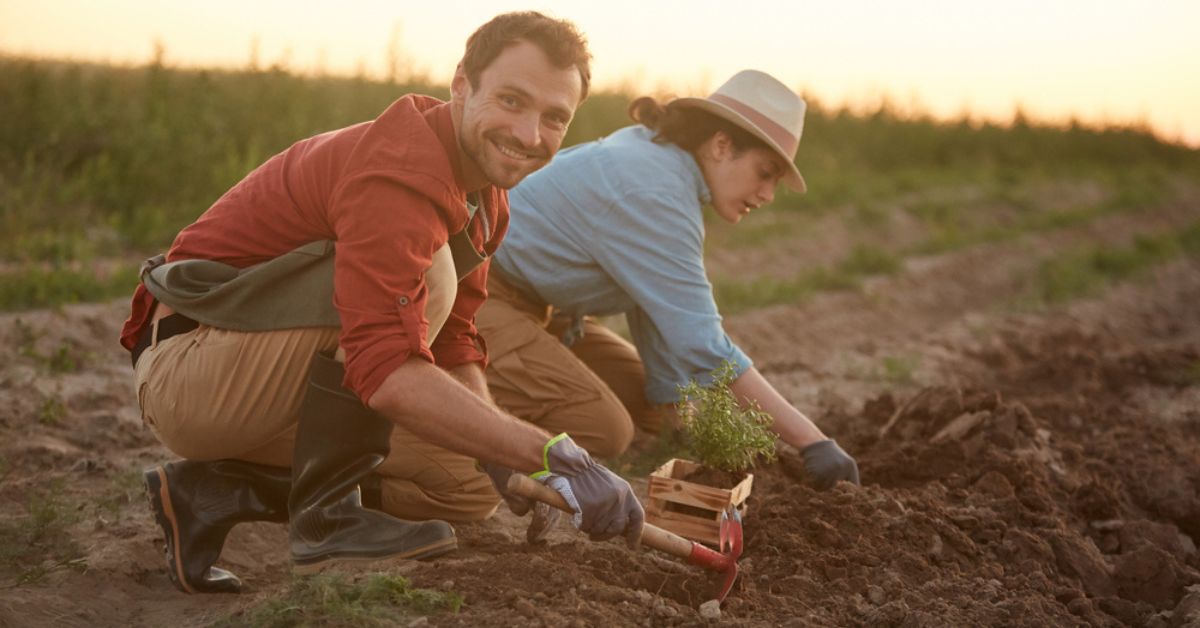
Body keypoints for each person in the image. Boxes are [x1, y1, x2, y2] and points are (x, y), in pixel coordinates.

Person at [123, 11, 643, 595]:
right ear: (460, 86)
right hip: (190, 367)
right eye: (512, 101)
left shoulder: (487, 194)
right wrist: (551, 452)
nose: (529, 135)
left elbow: (454, 338)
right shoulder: (401, 172)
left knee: (465, 484)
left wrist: (504, 455)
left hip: (251, 373)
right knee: (433, 275)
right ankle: (325, 520)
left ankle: (210, 492)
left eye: (554, 118)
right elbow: (387, 368)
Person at [476, 69, 860, 489]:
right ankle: (457, 422)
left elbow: (652, 305)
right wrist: (813, 443)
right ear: (721, 145)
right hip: (478, 295)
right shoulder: (654, 191)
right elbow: (703, 346)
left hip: (542, 308)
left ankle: (508, 393)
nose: (768, 194)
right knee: (604, 429)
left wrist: (678, 425)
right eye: (765, 172)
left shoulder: (662, 164)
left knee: (650, 410)